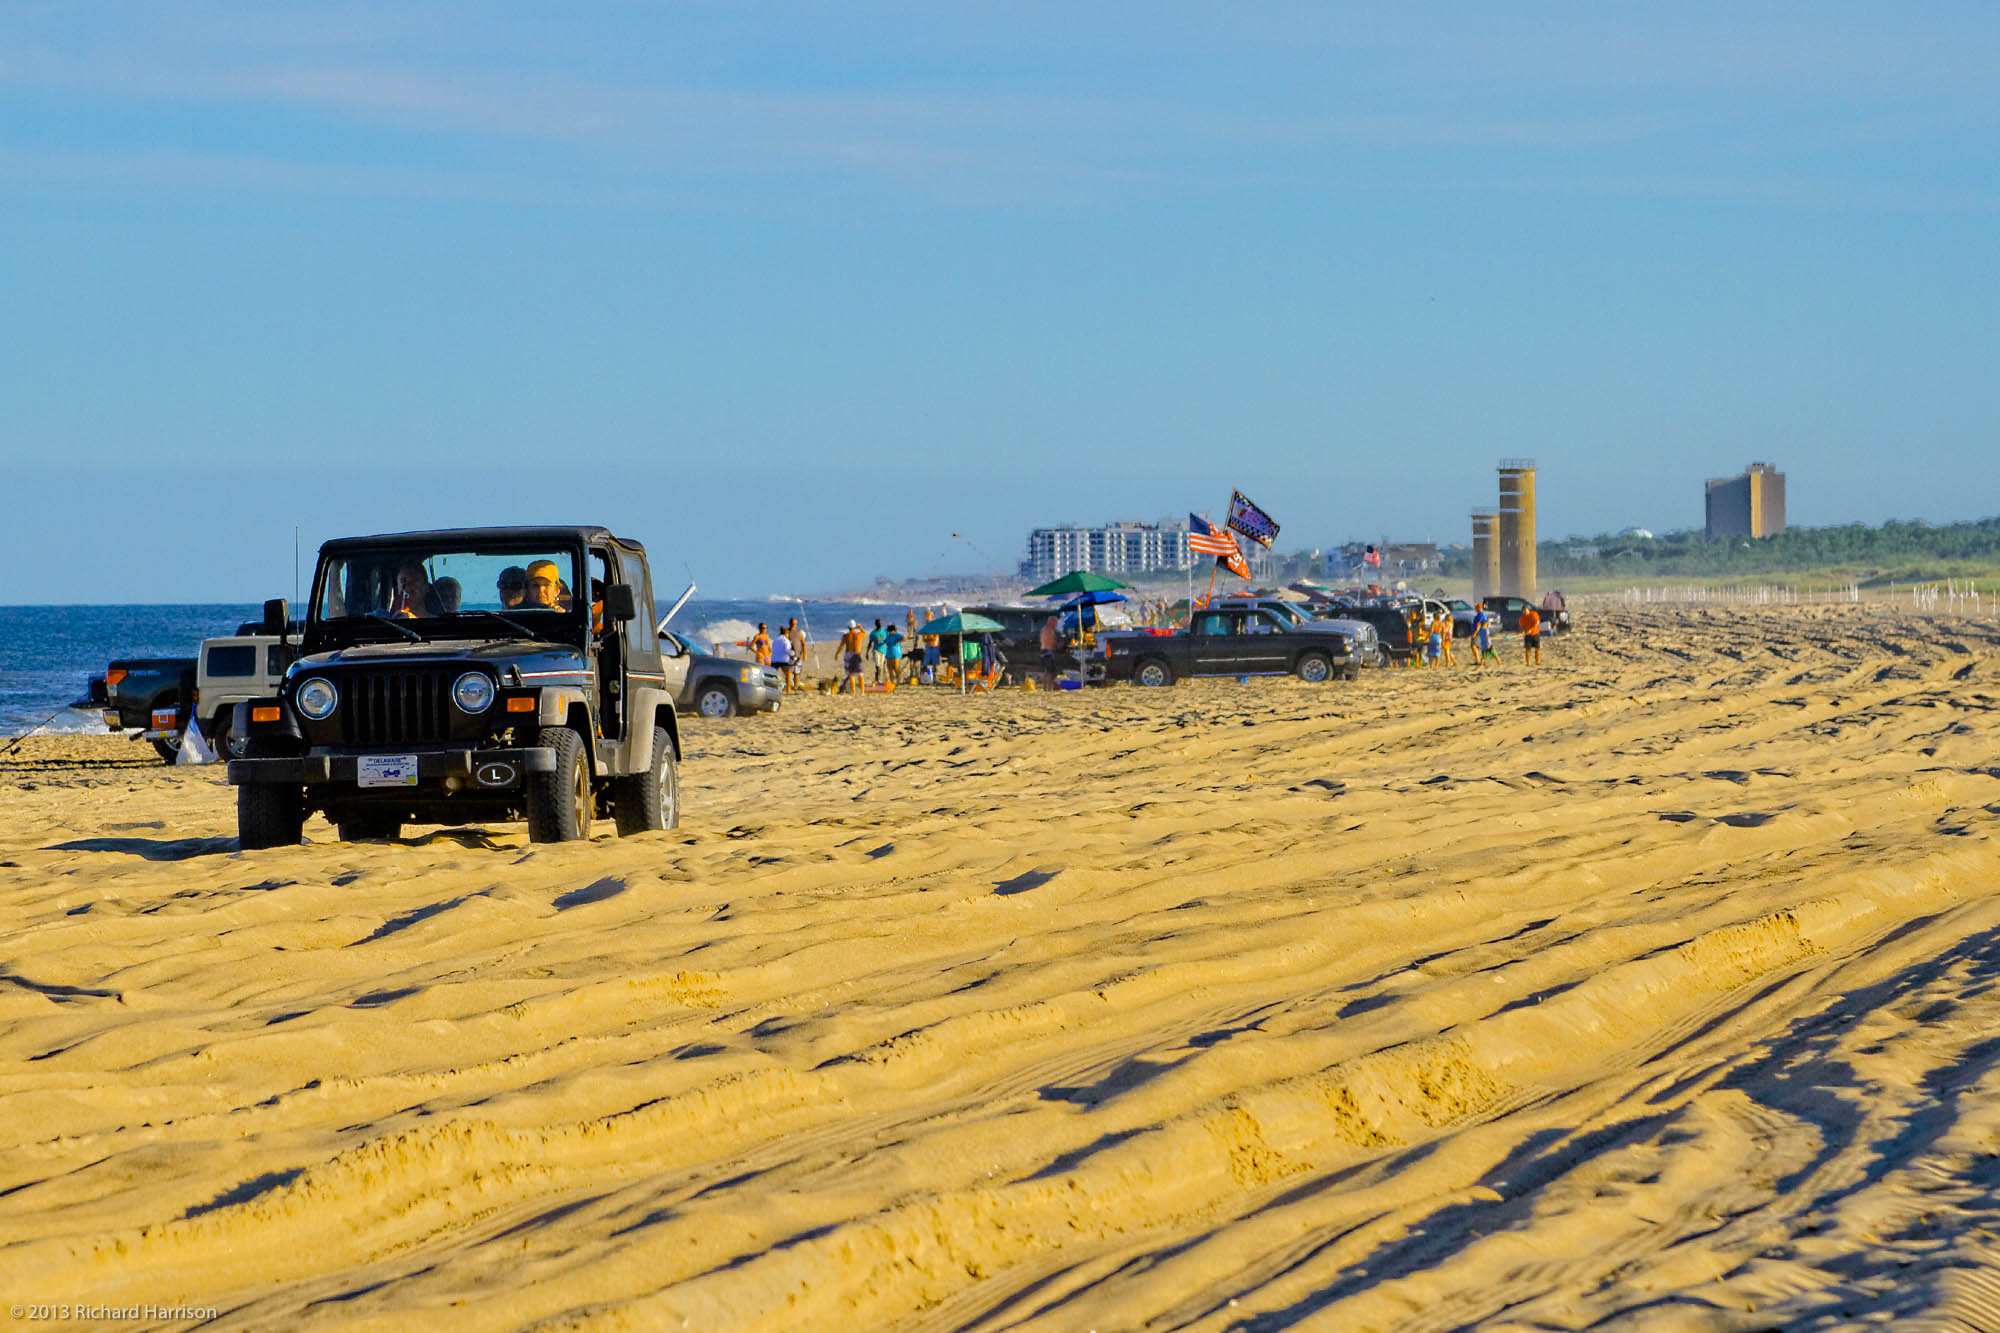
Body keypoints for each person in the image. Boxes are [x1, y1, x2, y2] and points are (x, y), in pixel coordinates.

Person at [839, 620, 868, 693]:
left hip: (848, 654)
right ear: (854, 627)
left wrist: (837, 654)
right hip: (856, 654)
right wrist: (860, 627)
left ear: (848, 627)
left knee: (851, 674)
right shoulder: (858, 635)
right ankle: (862, 691)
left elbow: (841, 646)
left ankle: (853, 691)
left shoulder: (845, 636)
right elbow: (865, 634)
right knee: (860, 674)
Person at [785, 617, 807, 690]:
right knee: (789, 672)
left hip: (798, 656)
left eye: (795, 624)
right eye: (792, 623)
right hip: (789, 656)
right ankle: (788, 687)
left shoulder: (799, 632)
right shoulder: (786, 632)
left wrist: (804, 654)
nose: (794, 625)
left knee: (796, 673)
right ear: (789, 623)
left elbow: (803, 644)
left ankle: (795, 687)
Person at [1039, 613, 1060, 688]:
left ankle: (1045, 687)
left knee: (1045, 671)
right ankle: (1049, 687)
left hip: (1043, 651)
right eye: (1056, 623)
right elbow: (1052, 642)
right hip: (1048, 652)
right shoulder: (1050, 630)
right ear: (1052, 622)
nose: (1056, 625)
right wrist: (1058, 645)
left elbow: (1042, 640)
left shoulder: (1043, 629)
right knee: (1050, 672)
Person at [867, 619, 887, 684]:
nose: (880, 624)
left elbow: (888, 640)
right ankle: (877, 679)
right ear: (876, 624)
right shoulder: (873, 633)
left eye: (881, 623)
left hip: (883, 651)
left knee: (881, 666)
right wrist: (867, 652)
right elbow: (870, 643)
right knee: (877, 665)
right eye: (878, 623)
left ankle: (878, 679)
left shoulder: (885, 631)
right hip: (876, 650)